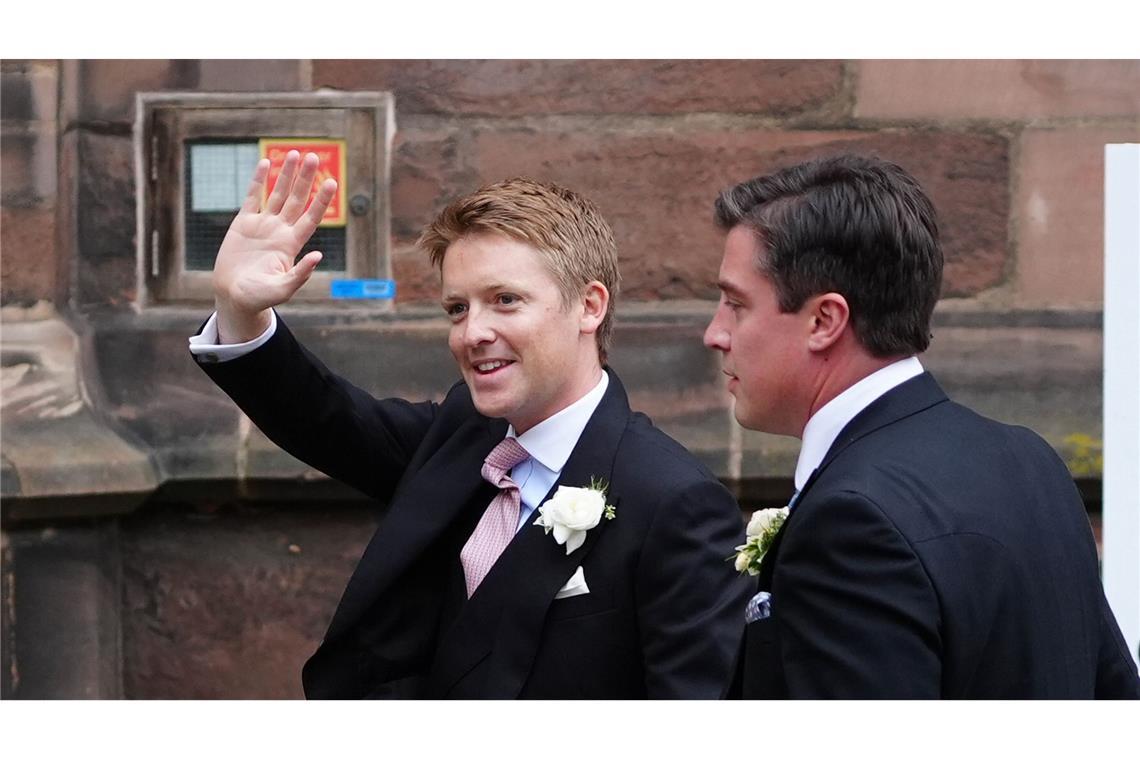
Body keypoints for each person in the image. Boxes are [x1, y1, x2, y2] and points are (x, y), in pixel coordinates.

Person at [190, 150, 752, 698]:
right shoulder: (463, 432)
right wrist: (240, 309)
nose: (472, 333)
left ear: (589, 306)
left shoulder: (676, 503)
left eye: (505, 300)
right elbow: (326, 419)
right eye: (457, 309)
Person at [704, 153, 1140, 698]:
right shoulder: (1029, 459)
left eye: (735, 304)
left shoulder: (851, 521)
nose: (715, 333)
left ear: (824, 321)